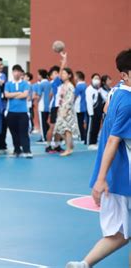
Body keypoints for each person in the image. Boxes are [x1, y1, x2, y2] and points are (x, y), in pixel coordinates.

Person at [66, 49, 131, 268]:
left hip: (115, 176)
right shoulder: (129, 102)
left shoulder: (115, 92)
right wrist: (100, 179)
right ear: (125, 75)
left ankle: (83, 264)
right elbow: (113, 140)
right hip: (124, 175)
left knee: (121, 234)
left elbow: (106, 112)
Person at [5, 65, 32, 158]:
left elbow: (25, 95)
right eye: (14, 71)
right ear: (12, 73)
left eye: (18, 71)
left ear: (21, 73)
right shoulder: (8, 84)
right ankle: (17, 149)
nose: (16, 73)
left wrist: (13, 95)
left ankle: (27, 150)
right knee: (14, 132)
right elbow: (6, 95)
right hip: (11, 112)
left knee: (24, 132)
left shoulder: (25, 84)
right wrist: (17, 93)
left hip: (23, 112)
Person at [54, 67, 80, 157]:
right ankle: (70, 144)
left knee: (67, 130)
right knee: (60, 129)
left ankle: (68, 149)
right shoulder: (62, 85)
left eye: (65, 73)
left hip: (67, 110)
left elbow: (70, 99)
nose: (62, 75)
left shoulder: (70, 86)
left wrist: (65, 110)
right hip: (61, 109)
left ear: (69, 75)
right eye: (62, 73)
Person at [46, 53, 67, 153]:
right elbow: (62, 70)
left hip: (61, 107)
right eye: (54, 73)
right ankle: (48, 145)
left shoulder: (61, 83)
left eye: (57, 73)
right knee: (52, 126)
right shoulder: (55, 81)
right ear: (51, 76)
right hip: (56, 107)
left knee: (59, 127)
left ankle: (57, 145)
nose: (57, 74)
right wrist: (64, 59)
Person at [86, 73, 104, 150]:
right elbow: (89, 101)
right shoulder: (89, 89)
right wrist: (91, 113)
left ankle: (94, 142)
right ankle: (90, 142)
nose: (97, 80)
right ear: (92, 79)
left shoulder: (99, 90)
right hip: (92, 111)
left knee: (97, 127)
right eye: (95, 78)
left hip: (98, 111)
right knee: (92, 127)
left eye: (98, 78)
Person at [36, 69, 51, 143]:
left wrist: (37, 101)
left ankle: (43, 137)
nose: (37, 76)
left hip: (42, 106)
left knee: (42, 123)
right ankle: (48, 134)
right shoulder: (49, 83)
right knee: (45, 122)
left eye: (38, 75)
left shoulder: (41, 84)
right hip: (49, 105)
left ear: (41, 76)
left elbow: (39, 95)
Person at [74, 71, 87, 143]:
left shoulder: (78, 86)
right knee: (83, 122)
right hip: (84, 107)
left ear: (78, 77)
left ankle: (82, 137)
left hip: (79, 107)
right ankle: (84, 136)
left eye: (75, 76)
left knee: (80, 123)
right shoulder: (85, 85)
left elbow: (75, 96)